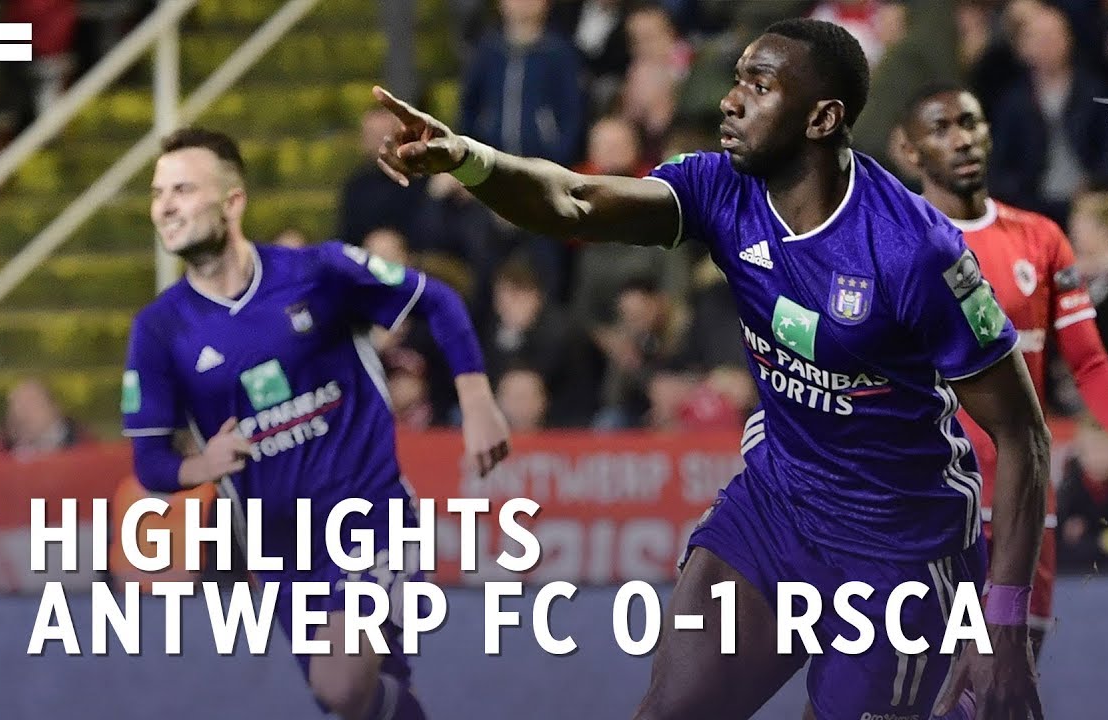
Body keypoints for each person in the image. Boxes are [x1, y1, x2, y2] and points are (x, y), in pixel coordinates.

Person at [371, 17, 1048, 720]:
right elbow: (573, 198)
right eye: (736, 81)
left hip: (899, 548)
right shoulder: (721, 189)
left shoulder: (916, 252)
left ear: (822, 118)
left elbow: (1025, 439)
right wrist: (467, 159)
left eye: (760, 86)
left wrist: (1002, 625)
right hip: (777, 509)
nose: (730, 101)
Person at [121, 127, 511, 720]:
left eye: (182, 189)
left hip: (370, 519)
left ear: (232, 201)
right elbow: (149, 462)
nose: (165, 205)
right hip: (281, 554)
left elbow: (436, 300)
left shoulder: (318, 271)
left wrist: (477, 401)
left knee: (341, 686)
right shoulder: (159, 330)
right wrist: (203, 465)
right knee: (360, 703)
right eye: (156, 193)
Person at [898, 85, 1108, 658]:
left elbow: (1090, 361)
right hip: (925, 499)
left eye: (971, 122)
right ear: (908, 150)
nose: (962, 139)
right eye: (942, 128)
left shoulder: (1040, 239)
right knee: (913, 680)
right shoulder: (890, 242)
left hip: (1022, 498)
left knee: (1012, 677)